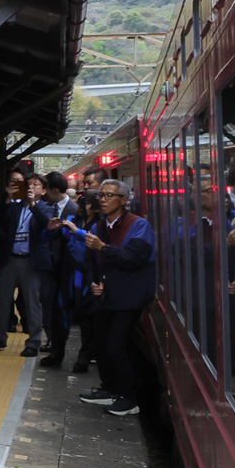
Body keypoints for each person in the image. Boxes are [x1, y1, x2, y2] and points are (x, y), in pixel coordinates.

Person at [76, 179, 155, 417]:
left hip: (130, 296)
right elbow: (89, 261)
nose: (103, 199)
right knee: (100, 344)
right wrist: (93, 281)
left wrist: (103, 248)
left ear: (124, 200)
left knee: (115, 345)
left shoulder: (139, 225)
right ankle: (109, 389)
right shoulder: (99, 227)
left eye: (110, 195)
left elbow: (133, 258)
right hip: (106, 296)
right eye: (101, 195)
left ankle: (128, 398)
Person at [0, 169, 41, 352]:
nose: (17, 184)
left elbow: (45, 223)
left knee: (32, 302)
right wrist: (9, 198)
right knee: (2, 300)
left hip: (30, 260)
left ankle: (33, 342)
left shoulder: (38, 205)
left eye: (21, 181)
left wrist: (32, 202)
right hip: (8, 258)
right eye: (13, 180)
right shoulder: (8, 203)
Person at [33, 171, 79, 366]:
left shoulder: (74, 209)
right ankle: (54, 343)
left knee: (60, 307)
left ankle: (57, 347)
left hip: (67, 267)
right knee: (50, 304)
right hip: (51, 264)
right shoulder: (51, 208)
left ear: (53, 190)